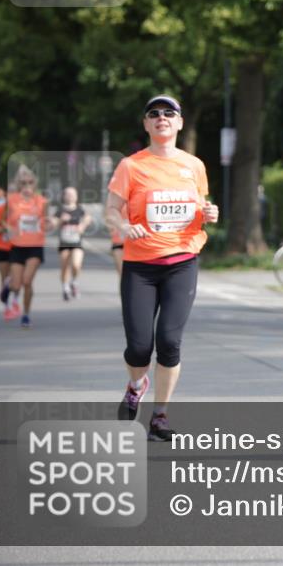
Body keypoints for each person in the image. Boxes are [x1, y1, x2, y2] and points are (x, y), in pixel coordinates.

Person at [105, 95, 218, 441]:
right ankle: (136, 383)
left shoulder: (194, 165)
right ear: (146, 125)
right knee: (139, 347)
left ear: (180, 123)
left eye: (169, 113)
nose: (161, 118)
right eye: (154, 114)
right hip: (139, 266)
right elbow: (110, 210)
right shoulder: (131, 166)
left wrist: (210, 214)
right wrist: (124, 227)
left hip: (181, 262)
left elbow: (201, 207)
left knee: (169, 340)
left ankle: (160, 417)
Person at [5, 167, 52, 327]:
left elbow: (47, 222)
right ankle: (10, 285)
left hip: (35, 246)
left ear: (35, 183)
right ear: (18, 184)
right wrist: (8, 227)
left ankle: (26, 314)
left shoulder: (42, 201)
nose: (27, 185)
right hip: (17, 245)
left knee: (27, 281)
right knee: (16, 284)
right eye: (23, 182)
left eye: (30, 182)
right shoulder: (11, 199)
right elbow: (3, 219)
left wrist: (49, 224)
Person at [55, 187, 92, 300]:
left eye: (73, 194)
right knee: (64, 267)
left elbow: (88, 218)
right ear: (64, 196)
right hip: (64, 243)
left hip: (77, 242)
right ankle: (65, 287)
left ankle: (74, 282)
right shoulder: (60, 210)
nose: (71, 196)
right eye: (68, 194)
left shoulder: (80, 209)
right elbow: (53, 224)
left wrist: (82, 225)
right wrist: (61, 220)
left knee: (76, 265)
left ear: (76, 196)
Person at [109, 202, 126, 277]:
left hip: (135, 243)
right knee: (122, 273)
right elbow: (108, 217)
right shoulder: (114, 201)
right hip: (118, 242)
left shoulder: (136, 199)